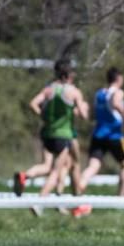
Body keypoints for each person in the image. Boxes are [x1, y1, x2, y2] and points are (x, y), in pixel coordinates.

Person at [13, 60, 89, 210]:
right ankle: (39, 202)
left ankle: (25, 175)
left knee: (46, 166)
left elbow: (33, 103)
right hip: (63, 135)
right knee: (56, 171)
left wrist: (43, 115)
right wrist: (82, 107)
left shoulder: (48, 89)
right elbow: (84, 115)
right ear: (68, 75)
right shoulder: (73, 92)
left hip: (47, 133)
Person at [73, 67, 124, 211]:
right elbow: (116, 103)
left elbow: (97, 111)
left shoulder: (99, 94)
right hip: (114, 136)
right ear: (118, 79)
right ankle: (121, 201)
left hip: (98, 134)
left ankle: (79, 187)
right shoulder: (118, 92)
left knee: (93, 166)